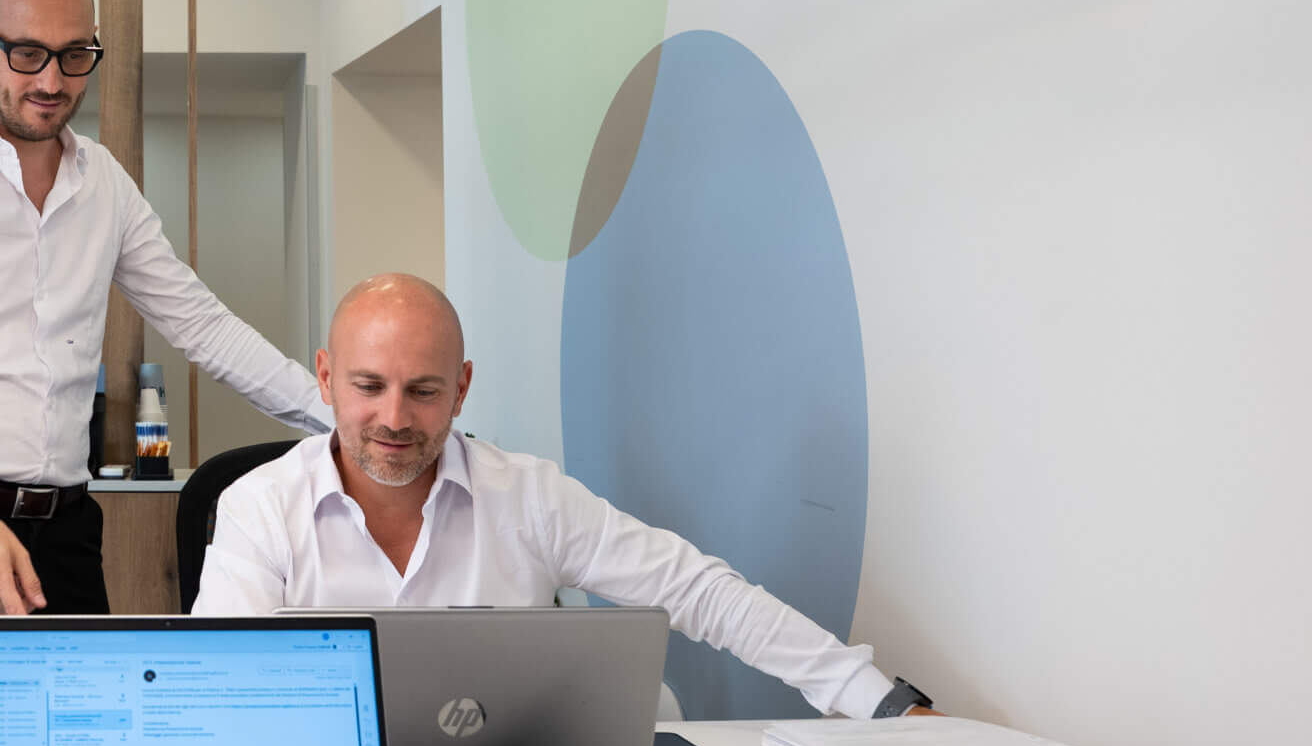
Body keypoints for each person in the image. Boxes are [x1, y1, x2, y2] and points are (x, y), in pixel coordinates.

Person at [0, 0, 332, 717]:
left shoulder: (103, 183)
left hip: (63, 535)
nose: (51, 80)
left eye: (76, 55)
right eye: (28, 52)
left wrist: (346, 417)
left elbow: (201, 324)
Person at [194, 273, 938, 719]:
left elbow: (699, 591)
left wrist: (877, 698)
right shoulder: (259, 506)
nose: (393, 418)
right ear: (324, 379)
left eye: (422, 391)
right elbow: (217, 692)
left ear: (461, 388)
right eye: (367, 387)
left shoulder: (527, 497)